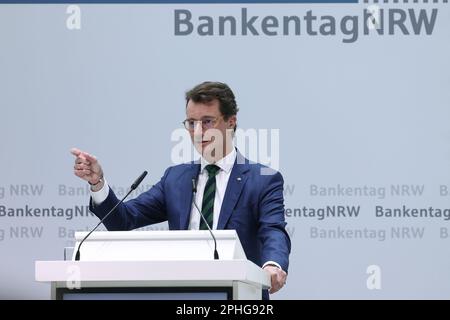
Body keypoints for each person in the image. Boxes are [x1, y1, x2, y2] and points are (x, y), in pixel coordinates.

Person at [71, 81, 291, 299]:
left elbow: (273, 230)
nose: (197, 131)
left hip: (240, 297)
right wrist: (97, 184)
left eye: (207, 122)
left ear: (231, 122)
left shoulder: (262, 180)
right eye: (191, 123)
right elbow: (123, 220)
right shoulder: (176, 179)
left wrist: (272, 264)